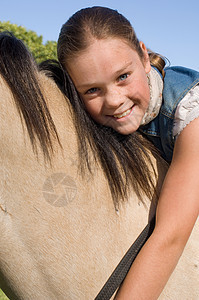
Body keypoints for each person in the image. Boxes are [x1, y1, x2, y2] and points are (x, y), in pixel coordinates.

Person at [53, 6, 199, 299]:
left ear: (144, 57)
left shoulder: (189, 110)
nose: (115, 100)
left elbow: (170, 236)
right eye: (92, 90)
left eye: (122, 77)